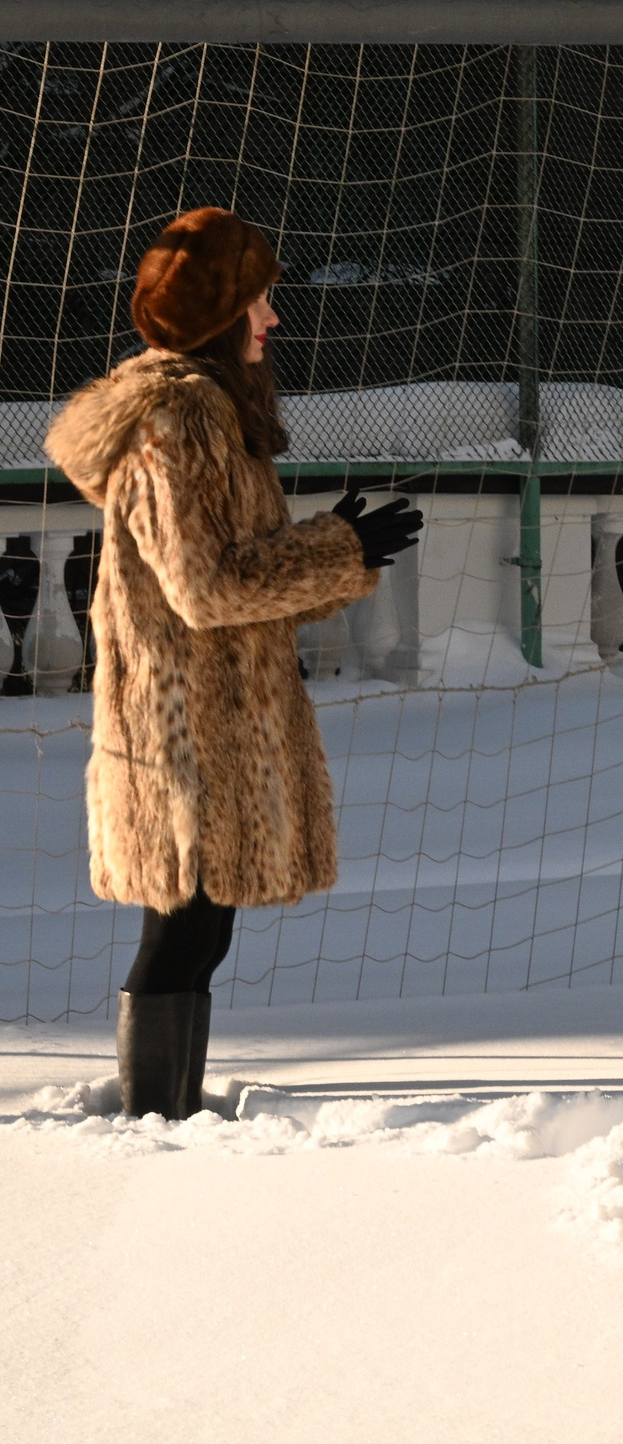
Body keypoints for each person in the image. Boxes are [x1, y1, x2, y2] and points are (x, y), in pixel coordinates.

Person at [45, 207, 422, 1119]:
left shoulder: (207, 409)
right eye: (258, 300)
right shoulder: (177, 417)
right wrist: (334, 550)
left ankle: (165, 1106)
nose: (272, 319)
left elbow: (236, 575)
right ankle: (152, 1118)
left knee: (201, 929)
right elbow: (204, 589)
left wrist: (341, 554)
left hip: (219, 718)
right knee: (182, 929)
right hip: (186, 726)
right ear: (218, 312)